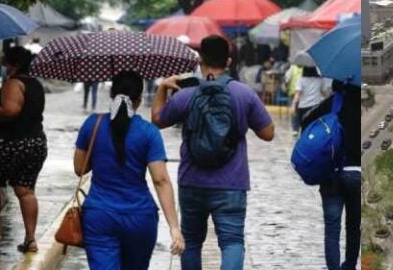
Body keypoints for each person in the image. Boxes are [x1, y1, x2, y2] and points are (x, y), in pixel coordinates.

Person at [151, 35, 275, 270]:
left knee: (192, 240)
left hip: (192, 181)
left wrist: (162, 88)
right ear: (228, 61)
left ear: (199, 60)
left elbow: (157, 120)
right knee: (232, 242)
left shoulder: (186, 95)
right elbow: (268, 133)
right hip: (232, 182)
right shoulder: (244, 94)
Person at [74, 71, 184, 268]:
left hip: (99, 216)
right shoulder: (149, 133)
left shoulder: (93, 124)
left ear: (111, 96)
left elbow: (79, 168)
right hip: (140, 218)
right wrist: (174, 228)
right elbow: (160, 180)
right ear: (140, 99)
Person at [0, 46, 47, 252]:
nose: (5, 67)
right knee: (25, 191)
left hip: (8, 144)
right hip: (35, 143)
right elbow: (20, 105)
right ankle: (31, 239)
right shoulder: (35, 84)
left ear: (14, 65)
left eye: (7, 63)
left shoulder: (13, 82)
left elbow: (11, 110)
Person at [301, 80, 361, 270]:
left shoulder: (333, 104)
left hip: (332, 176)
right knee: (354, 228)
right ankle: (349, 266)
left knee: (332, 230)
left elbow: (305, 122)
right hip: (357, 175)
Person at [293, 66, 331, 130]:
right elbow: (324, 92)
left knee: (304, 127)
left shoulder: (301, 79)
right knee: (314, 127)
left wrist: (294, 106)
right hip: (315, 107)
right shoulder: (319, 80)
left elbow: (297, 95)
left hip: (303, 107)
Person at [283, 64, 303, 136]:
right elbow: (287, 78)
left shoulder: (293, 67)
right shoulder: (309, 68)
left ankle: (295, 129)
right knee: (298, 111)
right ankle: (298, 128)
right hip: (300, 93)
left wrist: (285, 84)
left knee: (295, 111)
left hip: (295, 92)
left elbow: (287, 78)